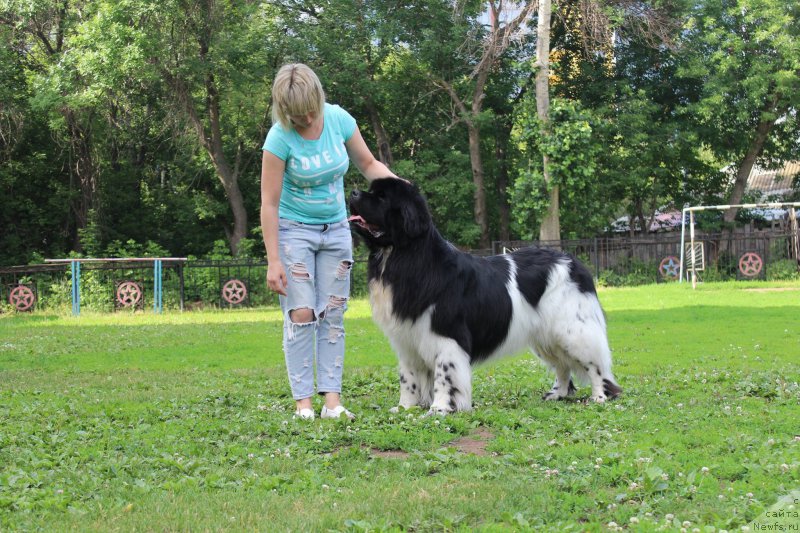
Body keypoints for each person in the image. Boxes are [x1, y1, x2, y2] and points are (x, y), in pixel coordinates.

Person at [260, 63, 397, 420]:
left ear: (319, 97)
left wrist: (402, 190)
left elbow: (368, 163)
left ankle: (332, 402)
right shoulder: (279, 139)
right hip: (294, 233)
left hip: (336, 231)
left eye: (309, 109)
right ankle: (303, 403)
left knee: (333, 314)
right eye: (296, 114)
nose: (305, 118)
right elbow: (269, 204)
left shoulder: (338, 120)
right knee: (302, 313)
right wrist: (274, 260)